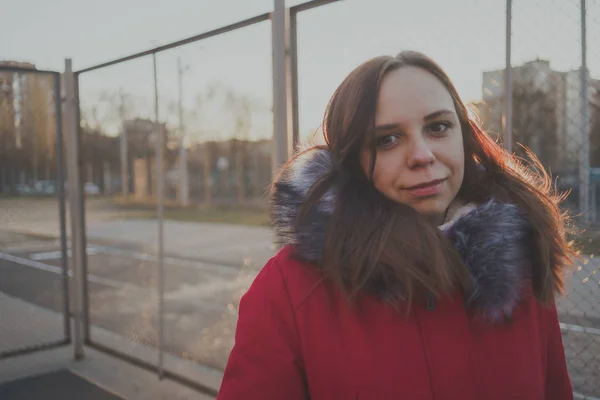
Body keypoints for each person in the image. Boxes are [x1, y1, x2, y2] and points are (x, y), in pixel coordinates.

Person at [217, 51, 575, 399]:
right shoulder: (290, 289)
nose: (422, 155)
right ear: (352, 161)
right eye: (387, 139)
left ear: (463, 137)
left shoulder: (518, 261)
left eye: (438, 127)